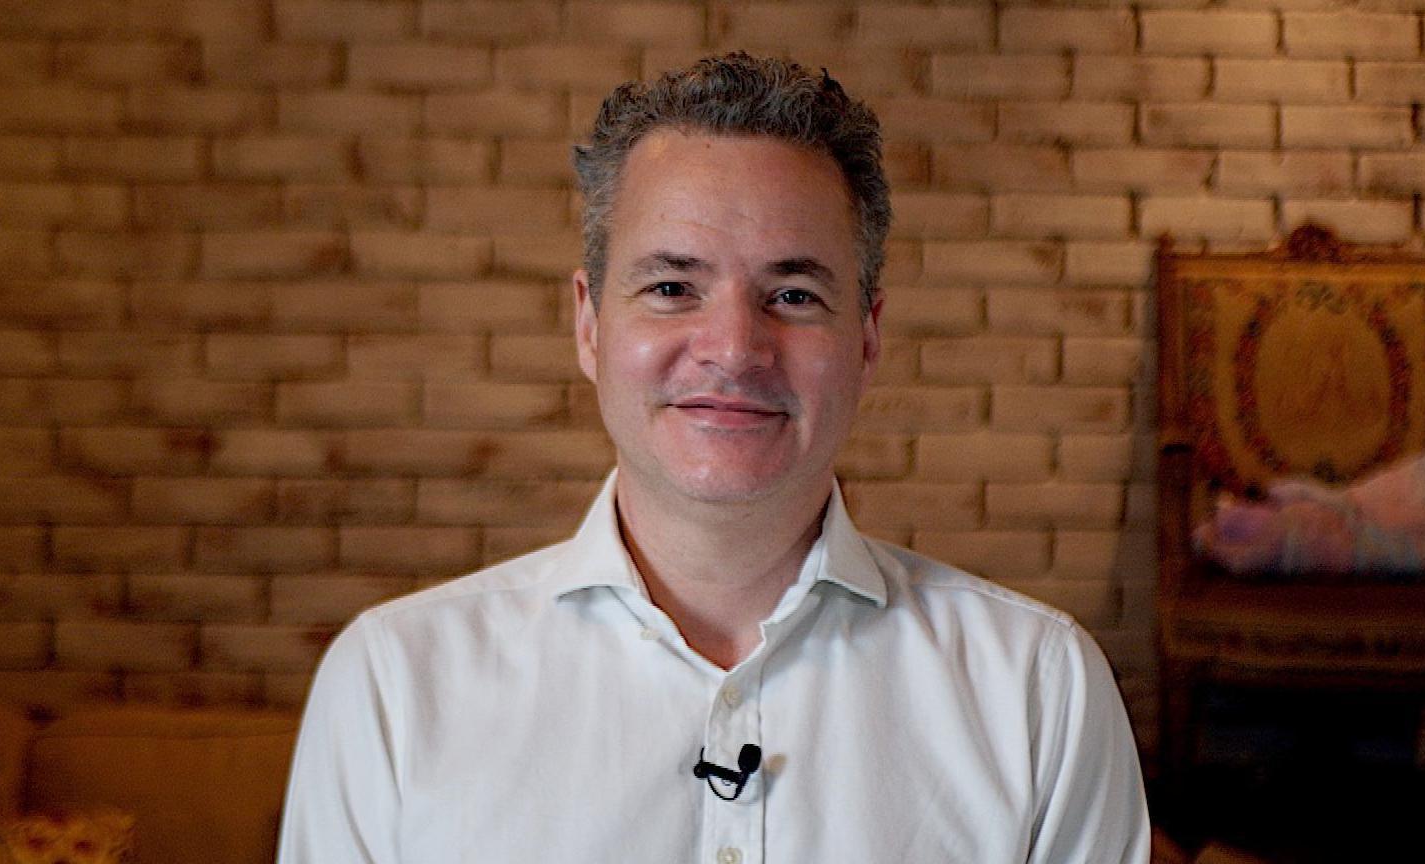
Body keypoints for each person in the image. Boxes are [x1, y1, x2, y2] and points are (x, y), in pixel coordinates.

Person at [277, 52, 1149, 863]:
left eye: (794, 294)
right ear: (589, 324)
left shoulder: (1039, 693)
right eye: (671, 288)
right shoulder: (394, 684)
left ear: (868, 337)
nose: (733, 348)